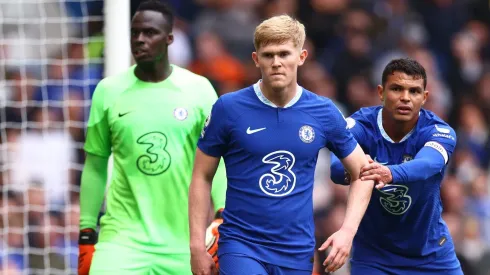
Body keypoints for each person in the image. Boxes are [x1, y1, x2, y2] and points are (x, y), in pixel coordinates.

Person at [188, 15, 376, 275]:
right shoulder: (228, 109)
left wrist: (347, 232)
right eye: (268, 55)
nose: (276, 63)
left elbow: (363, 173)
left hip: (296, 251)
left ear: (301, 56)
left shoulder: (323, 112)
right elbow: (201, 175)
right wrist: (197, 246)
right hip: (241, 245)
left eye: (284, 54)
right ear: (256, 59)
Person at [77, 1, 226, 274]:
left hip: (183, 241)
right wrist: (86, 231)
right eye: (135, 33)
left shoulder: (199, 90)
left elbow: (216, 163)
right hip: (122, 241)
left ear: (169, 38)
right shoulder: (108, 91)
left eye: (149, 33)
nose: (140, 40)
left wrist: (221, 214)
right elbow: (95, 164)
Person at [330, 58, 463, 274]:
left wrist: (389, 172)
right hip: (374, 257)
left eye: (414, 91)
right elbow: (336, 168)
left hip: (431, 255)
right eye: (397, 89)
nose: (405, 98)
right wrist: (353, 169)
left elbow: (428, 163)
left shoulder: (439, 130)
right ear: (381, 92)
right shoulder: (361, 125)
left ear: (424, 97)